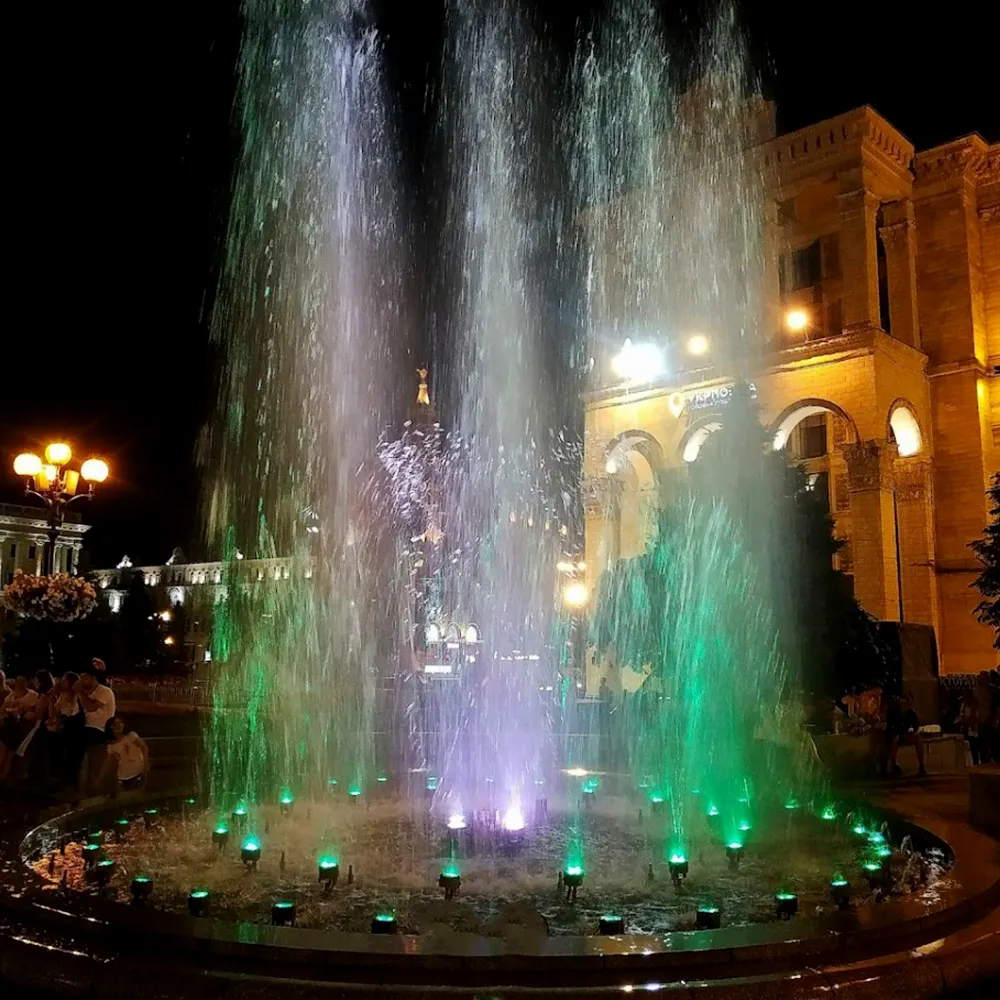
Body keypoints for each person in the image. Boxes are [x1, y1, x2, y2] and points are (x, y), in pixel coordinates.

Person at [73, 669, 116, 792]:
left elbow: (90, 707)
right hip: (87, 728)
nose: (82, 681)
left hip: (100, 728)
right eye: (81, 678)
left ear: (93, 678)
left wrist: (81, 693)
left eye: (85, 678)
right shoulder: (85, 693)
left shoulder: (104, 691)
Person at [0, 675, 40, 782]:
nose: (19, 683)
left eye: (22, 681)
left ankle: (4, 775)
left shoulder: (32, 695)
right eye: (18, 681)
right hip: (9, 725)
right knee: (3, 750)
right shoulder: (12, 694)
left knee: (10, 753)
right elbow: (3, 709)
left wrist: (22, 710)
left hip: (22, 726)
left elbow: (35, 712)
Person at [97, 717, 149, 793]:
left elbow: (144, 748)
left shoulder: (131, 736)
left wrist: (146, 764)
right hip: (122, 777)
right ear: (111, 727)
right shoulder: (111, 745)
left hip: (138, 773)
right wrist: (99, 778)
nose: (118, 725)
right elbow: (107, 763)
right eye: (115, 724)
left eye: (120, 722)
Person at [883, 692, 926, 778]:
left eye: (908, 700)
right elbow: (890, 725)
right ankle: (894, 765)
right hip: (896, 735)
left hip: (906, 735)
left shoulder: (911, 713)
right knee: (894, 740)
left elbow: (915, 727)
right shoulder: (894, 712)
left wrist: (912, 731)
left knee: (919, 739)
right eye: (904, 699)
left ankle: (921, 766)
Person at [957, 692, 981, 766]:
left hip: (974, 729)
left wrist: (965, 721)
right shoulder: (964, 705)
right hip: (967, 729)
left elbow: (975, 718)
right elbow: (961, 714)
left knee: (975, 748)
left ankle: (977, 763)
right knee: (970, 748)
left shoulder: (975, 705)